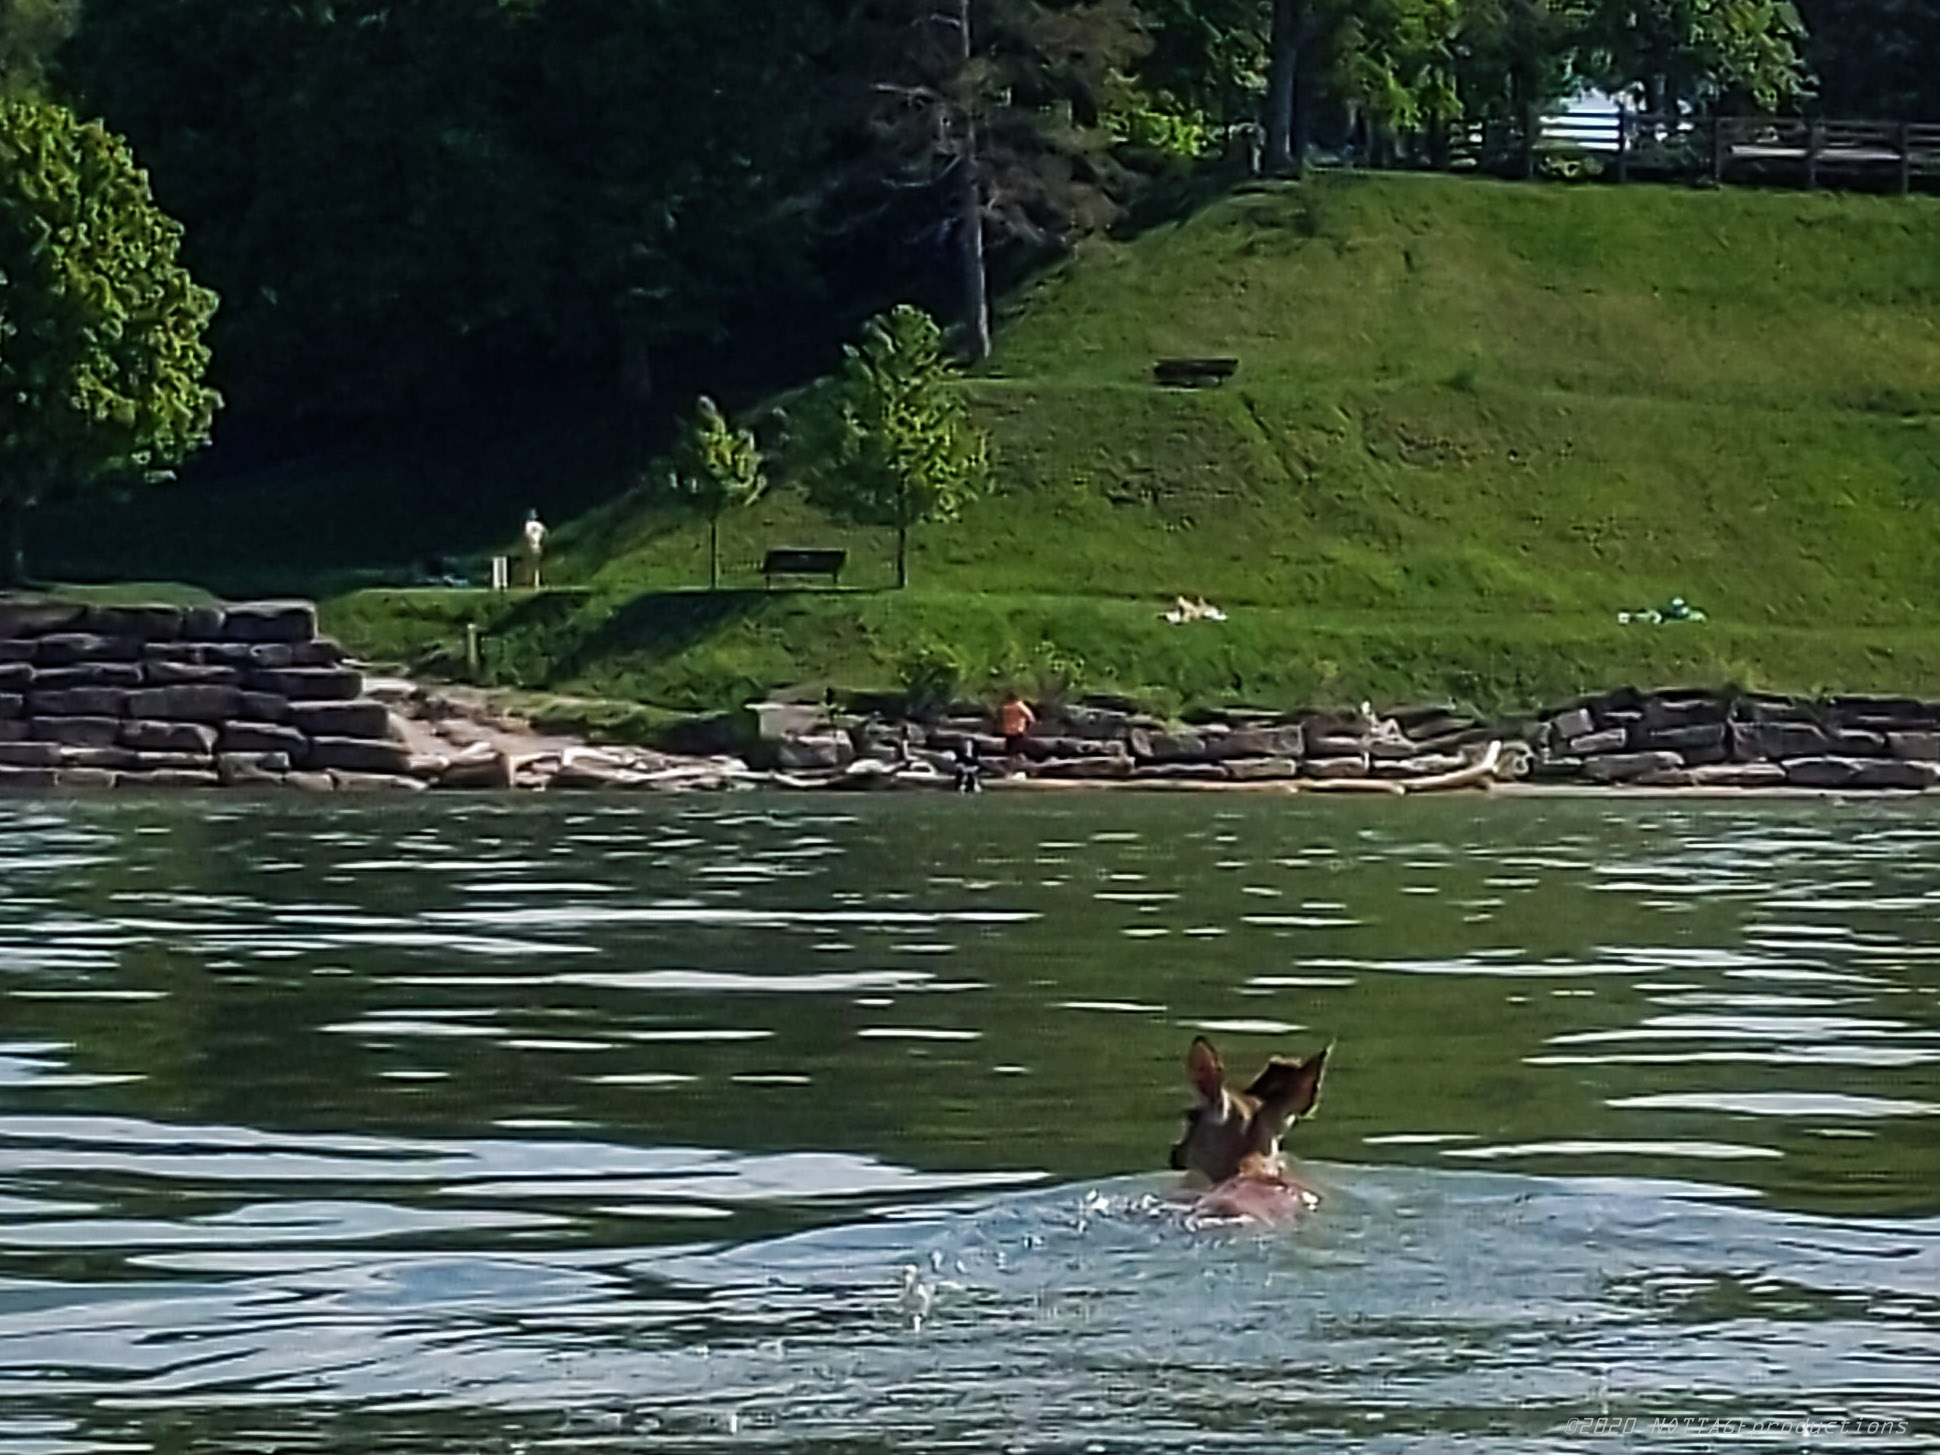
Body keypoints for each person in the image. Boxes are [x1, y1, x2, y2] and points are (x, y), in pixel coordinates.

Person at [999, 690, 1036, 759]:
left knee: (1013, 749)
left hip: (1011, 730)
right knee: (1017, 748)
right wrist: (1029, 725)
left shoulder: (1006, 706)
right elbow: (1030, 716)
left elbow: (1030, 716)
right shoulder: (1018, 705)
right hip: (1016, 730)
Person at [522, 509, 547, 589]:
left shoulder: (528, 524)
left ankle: (529, 581)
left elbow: (527, 535)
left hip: (531, 546)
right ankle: (537, 581)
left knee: (529, 565)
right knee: (538, 566)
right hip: (539, 546)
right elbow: (545, 535)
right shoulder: (541, 525)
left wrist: (530, 543)